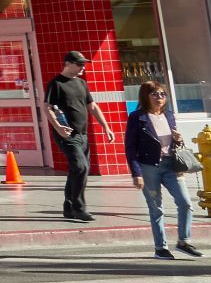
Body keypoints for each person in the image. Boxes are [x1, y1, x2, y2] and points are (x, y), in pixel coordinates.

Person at [124, 79, 200, 260]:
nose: (159, 97)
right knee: (156, 208)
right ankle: (160, 247)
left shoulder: (169, 115)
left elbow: (174, 143)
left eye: (162, 94)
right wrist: (136, 173)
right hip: (149, 167)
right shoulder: (137, 118)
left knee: (186, 203)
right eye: (155, 94)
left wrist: (179, 139)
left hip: (170, 165)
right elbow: (130, 147)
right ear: (145, 96)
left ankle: (184, 241)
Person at [46, 49, 111, 223]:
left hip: (83, 134)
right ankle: (79, 207)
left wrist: (105, 126)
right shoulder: (56, 84)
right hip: (67, 135)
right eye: (79, 64)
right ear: (67, 64)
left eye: (84, 64)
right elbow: (48, 107)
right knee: (81, 167)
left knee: (77, 170)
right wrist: (58, 127)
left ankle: (68, 206)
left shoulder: (82, 84)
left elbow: (93, 107)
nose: (83, 67)